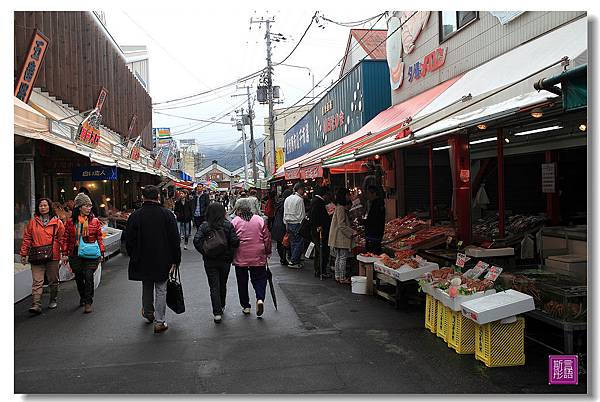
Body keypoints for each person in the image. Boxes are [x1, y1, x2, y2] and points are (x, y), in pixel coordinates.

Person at [126, 185, 181, 334]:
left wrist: (133, 254)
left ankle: (149, 313)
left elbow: (128, 240)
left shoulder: (135, 216)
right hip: (163, 257)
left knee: (147, 285)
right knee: (161, 288)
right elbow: (174, 240)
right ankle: (159, 321)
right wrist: (176, 259)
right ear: (158, 197)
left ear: (143, 197)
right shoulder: (167, 215)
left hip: (142, 257)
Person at [193, 202, 240, 323]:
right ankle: (222, 305)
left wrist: (205, 251)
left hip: (210, 261)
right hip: (225, 260)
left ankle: (217, 312)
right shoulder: (228, 225)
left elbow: (197, 240)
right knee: (222, 283)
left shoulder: (205, 226)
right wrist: (230, 252)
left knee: (213, 285)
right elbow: (235, 242)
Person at [20, 198, 66, 314]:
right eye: (41, 206)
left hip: (53, 255)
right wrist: (24, 253)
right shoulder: (32, 222)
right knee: (37, 281)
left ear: (49, 207)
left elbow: (62, 239)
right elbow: (27, 239)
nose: (43, 207)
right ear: (38, 208)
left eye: (45, 205)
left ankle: (53, 298)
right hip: (36, 255)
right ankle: (36, 304)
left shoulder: (57, 222)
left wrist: (65, 253)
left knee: (53, 280)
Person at [61, 193, 105, 313]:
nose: (89, 208)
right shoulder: (70, 222)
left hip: (91, 253)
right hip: (75, 253)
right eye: (86, 205)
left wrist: (102, 252)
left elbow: (99, 238)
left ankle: (88, 301)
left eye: (90, 205)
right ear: (79, 207)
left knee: (89, 276)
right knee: (79, 277)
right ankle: (83, 296)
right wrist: (64, 253)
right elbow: (65, 238)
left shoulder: (95, 221)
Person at [231, 203, 272, 317]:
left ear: (239, 210)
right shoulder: (259, 220)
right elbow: (267, 237)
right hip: (258, 254)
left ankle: (246, 306)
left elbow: (232, 239)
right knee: (259, 278)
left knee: (242, 282)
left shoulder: (235, 221)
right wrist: (267, 251)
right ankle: (260, 298)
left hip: (241, 254)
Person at [328, 188, 355, 284]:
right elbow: (341, 225)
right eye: (348, 194)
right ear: (344, 196)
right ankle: (341, 277)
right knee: (342, 257)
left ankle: (338, 276)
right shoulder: (341, 208)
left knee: (339, 257)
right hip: (341, 237)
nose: (349, 196)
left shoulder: (339, 207)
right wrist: (352, 232)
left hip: (338, 236)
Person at [309, 186, 332, 277]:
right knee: (323, 251)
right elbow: (315, 217)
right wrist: (319, 226)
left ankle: (318, 269)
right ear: (325, 194)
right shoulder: (318, 202)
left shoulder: (315, 201)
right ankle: (321, 270)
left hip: (316, 230)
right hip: (319, 231)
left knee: (319, 251)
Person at [283, 182, 306, 268]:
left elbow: (284, 213)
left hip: (288, 223)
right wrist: (302, 225)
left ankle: (293, 259)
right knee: (299, 242)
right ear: (299, 189)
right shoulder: (299, 199)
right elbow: (301, 214)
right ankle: (294, 261)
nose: (304, 191)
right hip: (297, 223)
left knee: (293, 242)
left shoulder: (288, 198)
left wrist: (285, 223)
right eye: (303, 189)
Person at [271, 189, 292, 266]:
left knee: (280, 243)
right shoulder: (285, 204)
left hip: (276, 224)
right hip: (282, 225)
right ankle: (284, 259)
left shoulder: (279, 203)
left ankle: (282, 258)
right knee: (284, 243)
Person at [364, 185, 386, 255]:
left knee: (372, 256)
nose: (367, 196)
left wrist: (363, 222)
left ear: (374, 193)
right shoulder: (378, 204)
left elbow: (373, 221)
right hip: (376, 235)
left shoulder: (376, 205)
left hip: (373, 236)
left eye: (368, 193)